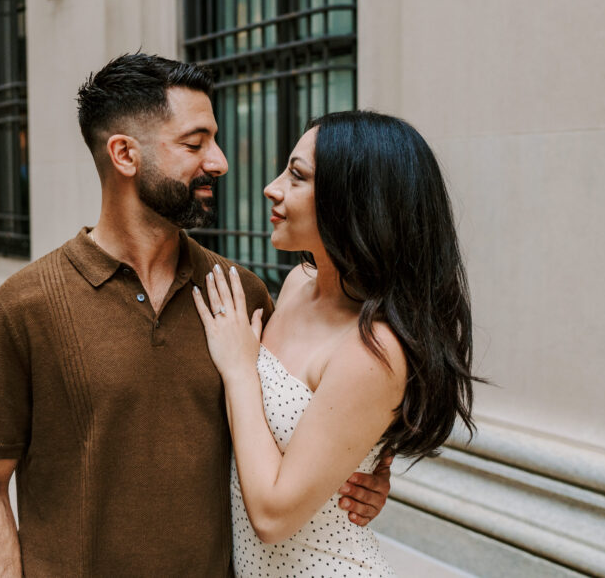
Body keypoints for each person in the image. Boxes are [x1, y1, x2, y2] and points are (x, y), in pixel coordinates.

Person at [0, 54, 393, 577]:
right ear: (124, 155)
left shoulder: (243, 296)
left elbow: (303, 421)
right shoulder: (25, 305)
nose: (220, 161)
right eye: (195, 143)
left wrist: (368, 473)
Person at [193, 111, 478, 576]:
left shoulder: (373, 349)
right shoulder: (295, 285)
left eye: (297, 176)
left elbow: (271, 516)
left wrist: (240, 370)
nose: (272, 187)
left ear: (356, 203)